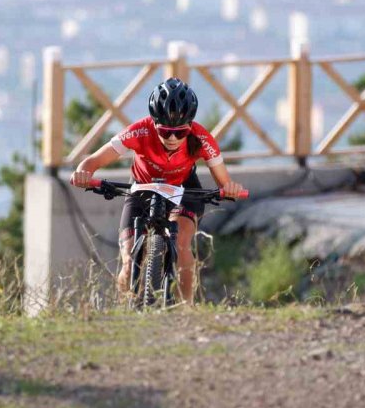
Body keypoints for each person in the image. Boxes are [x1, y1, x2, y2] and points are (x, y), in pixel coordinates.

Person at [69, 77, 245, 304]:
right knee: (128, 260)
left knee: (181, 245)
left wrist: (229, 188)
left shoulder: (202, 138)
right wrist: (83, 172)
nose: (172, 138)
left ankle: (186, 310)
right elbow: (93, 161)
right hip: (142, 189)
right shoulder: (138, 132)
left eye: (180, 133)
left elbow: (223, 181)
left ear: (190, 126)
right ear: (153, 123)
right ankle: (126, 313)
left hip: (184, 190)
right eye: (165, 131)